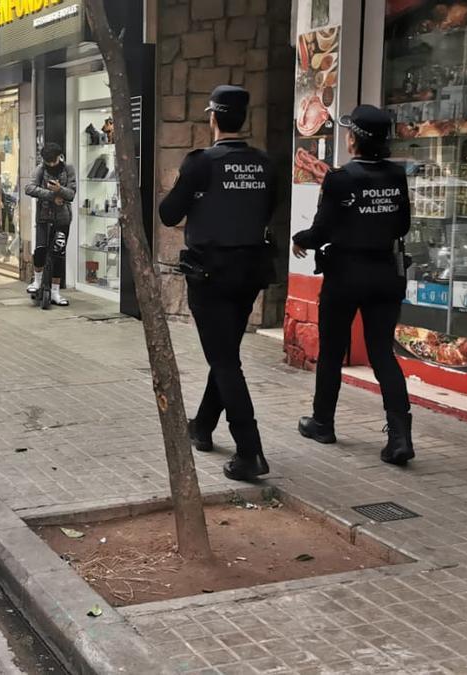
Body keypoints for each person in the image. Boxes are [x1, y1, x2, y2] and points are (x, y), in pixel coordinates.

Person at [158, 85, 277, 481]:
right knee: (225, 353)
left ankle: (250, 451)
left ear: (212, 118)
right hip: (250, 273)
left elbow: (168, 212)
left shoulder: (201, 163)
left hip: (210, 275)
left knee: (225, 360)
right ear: (242, 119)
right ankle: (203, 425)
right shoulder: (264, 163)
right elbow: (269, 207)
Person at [291, 104, 415, 466]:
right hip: (385, 274)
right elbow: (402, 226)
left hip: (345, 274)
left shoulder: (340, 179)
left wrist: (302, 238)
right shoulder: (396, 175)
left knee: (332, 350)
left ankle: (323, 423)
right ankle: (400, 437)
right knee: (381, 353)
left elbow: (322, 230)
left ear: (354, 138)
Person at [25, 143, 77, 306]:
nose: (51, 165)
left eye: (53, 161)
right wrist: (51, 195)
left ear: (59, 157)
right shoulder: (40, 169)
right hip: (43, 217)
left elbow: (72, 194)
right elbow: (29, 188)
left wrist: (60, 189)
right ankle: (37, 281)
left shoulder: (68, 169)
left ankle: (55, 291)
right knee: (40, 249)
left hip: (62, 219)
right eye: (48, 162)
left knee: (58, 254)